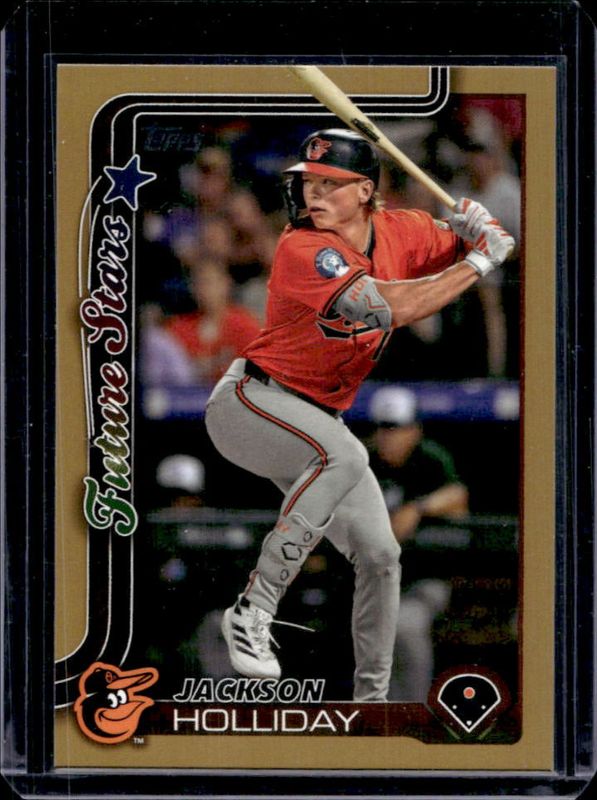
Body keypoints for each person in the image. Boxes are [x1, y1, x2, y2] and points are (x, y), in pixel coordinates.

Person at [204, 128, 514, 701]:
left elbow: (470, 239)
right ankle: (254, 609)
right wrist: (478, 263)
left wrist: (477, 228)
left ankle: (372, 702)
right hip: (252, 403)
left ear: (366, 191)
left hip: (319, 419)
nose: (314, 193)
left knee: (381, 555)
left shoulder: (404, 230)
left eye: (332, 183)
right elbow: (390, 308)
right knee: (344, 454)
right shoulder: (303, 247)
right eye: (310, 182)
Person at [368, 386, 468, 700]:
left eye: (397, 428)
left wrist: (418, 508)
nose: (389, 436)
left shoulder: (430, 459)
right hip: (369, 581)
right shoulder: (364, 460)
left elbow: (458, 497)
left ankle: (412, 710)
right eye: (383, 428)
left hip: (422, 580)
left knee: (404, 625)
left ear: (414, 430)